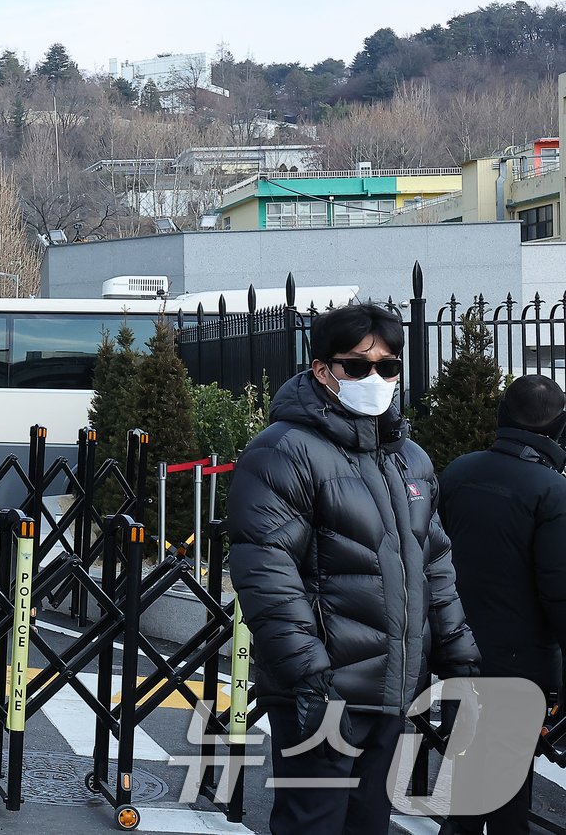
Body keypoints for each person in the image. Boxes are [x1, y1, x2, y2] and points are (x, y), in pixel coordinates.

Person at [226, 303, 479, 835]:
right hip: (323, 689)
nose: (377, 378)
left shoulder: (409, 456)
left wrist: (458, 653)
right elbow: (268, 576)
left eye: (388, 366)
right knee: (313, 825)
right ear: (322, 370)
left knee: (368, 824)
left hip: (394, 686)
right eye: (358, 366)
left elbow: (433, 557)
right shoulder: (281, 451)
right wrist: (311, 679)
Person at [439, 374, 566, 835]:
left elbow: (436, 558)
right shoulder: (552, 491)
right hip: (522, 662)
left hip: (460, 649)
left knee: (467, 773)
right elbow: (558, 590)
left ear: (501, 416)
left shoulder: (458, 471)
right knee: (511, 788)